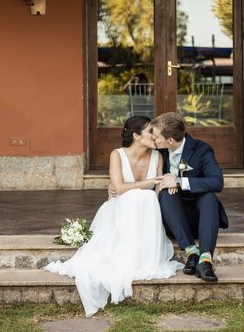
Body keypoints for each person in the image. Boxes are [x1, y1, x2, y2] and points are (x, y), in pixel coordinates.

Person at [44, 116, 182, 317]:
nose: (155, 136)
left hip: (145, 215)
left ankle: (142, 253)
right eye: (150, 132)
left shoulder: (158, 157)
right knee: (139, 196)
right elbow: (118, 188)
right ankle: (127, 254)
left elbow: (159, 188)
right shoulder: (117, 155)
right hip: (120, 211)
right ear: (136, 136)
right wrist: (150, 182)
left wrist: (169, 182)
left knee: (146, 197)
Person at [152, 112, 229, 283]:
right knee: (166, 195)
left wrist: (178, 181)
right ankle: (191, 252)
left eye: (156, 136)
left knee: (209, 196)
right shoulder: (156, 151)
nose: (153, 138)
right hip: (174, 222)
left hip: (201, 219)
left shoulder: (201, 150)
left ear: (170, 140)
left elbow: (217, 182)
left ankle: (205, 260)